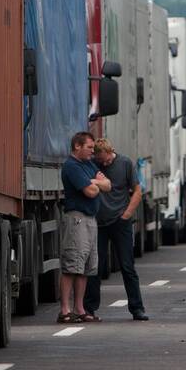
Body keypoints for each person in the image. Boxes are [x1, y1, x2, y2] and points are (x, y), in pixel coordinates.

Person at [83, 139, 148, 321]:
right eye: (101, 161)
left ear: (111, 152)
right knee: (96, 267)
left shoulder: (125, 163)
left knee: (127, 266)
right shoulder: (93, 164)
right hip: (99, 223)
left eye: (107, 161)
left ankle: (137, 308)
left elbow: (137, 190)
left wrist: (127, 214)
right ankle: (89, 308)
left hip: (121, 222)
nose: (104, 164)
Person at [58, 131, 110, 324]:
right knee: (72, 264)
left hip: (90, 220)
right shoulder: (72, 166)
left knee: (87, 266)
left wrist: (96, 182)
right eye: (89, 147)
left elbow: (108, 185)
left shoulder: (88, 164)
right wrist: (96, 183)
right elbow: (90, 192)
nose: (92, 151)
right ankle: (65, 310)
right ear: (77, 146)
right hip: (77, 219)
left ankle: (80, 309)